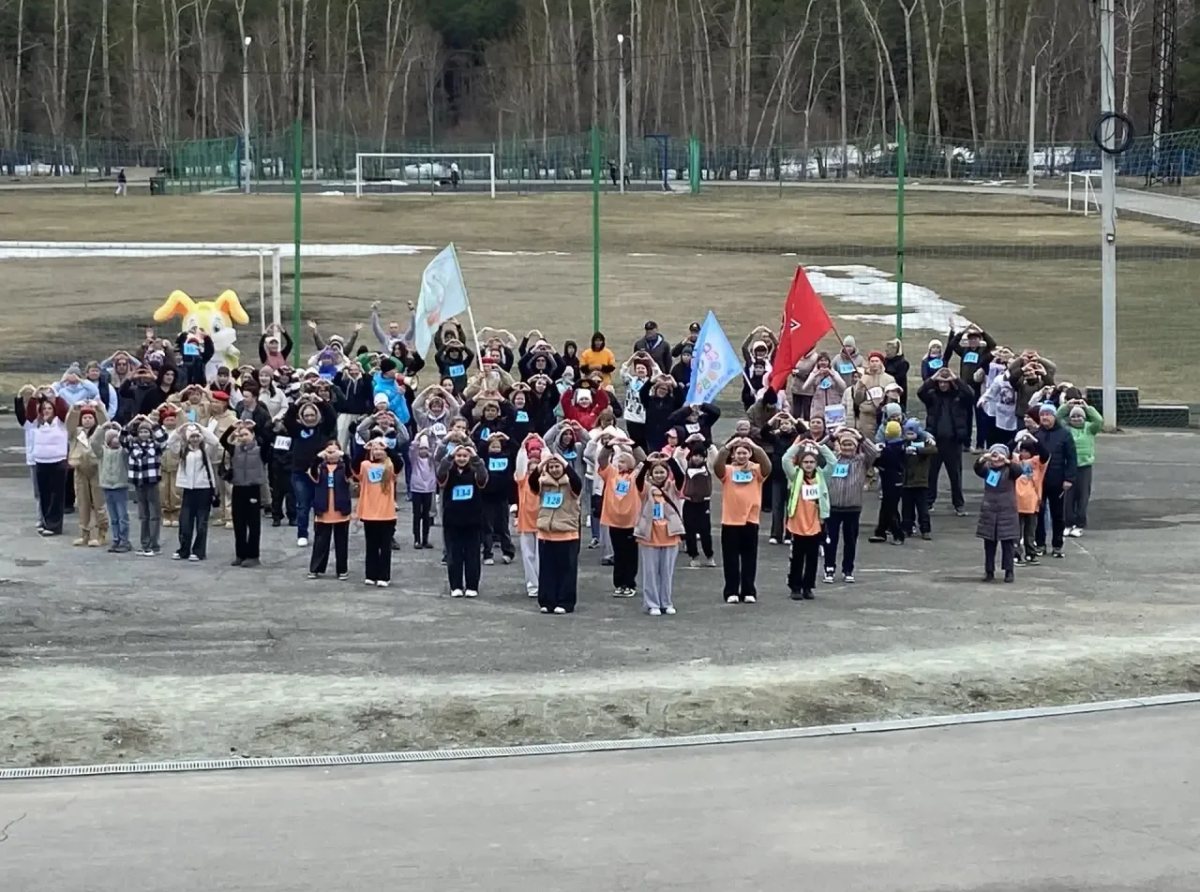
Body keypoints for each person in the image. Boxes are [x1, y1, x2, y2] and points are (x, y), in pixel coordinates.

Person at [714, 436, 770, 603]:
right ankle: (731, 590)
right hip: (730, 520)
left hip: (750, 520)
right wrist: (728, 445)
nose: (742, 455)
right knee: (730, 558)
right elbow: (717, 465)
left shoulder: (756, 470)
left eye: (745, 452)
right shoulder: (728, 470)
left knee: (749, 557)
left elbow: (768, 466)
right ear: (733, 455)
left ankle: (748, 590)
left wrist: (754, 446)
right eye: (738, 453)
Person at [528, 453, 584, 614]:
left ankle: (565, 602)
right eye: (551, 467)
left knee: (566, 570)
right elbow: (532, 480)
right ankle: (547, 601)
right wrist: (542, 462)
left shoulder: (571, 485)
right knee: (547, 570)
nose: (554, 469)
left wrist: (563, 462)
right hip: (546, 533)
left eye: (557, 466)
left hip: (567, 533)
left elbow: (577, 481)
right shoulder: (542, 484)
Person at [822, 428, 878, 584]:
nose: (847, 448)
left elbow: (873, 451)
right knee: (830, 540)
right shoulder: (833, 459)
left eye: (850, 445)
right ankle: (829, 568)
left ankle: (848, 569)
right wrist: (833, 436)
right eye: (844, 444)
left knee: (850, 540)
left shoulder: (861, 461)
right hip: (833, 507)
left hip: (853, 508)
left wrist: (860, 437)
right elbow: (818, 449)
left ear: (855, 447)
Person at [634, 453, 686, 616]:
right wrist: (647, 463)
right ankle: (652, 603)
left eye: (662, 472)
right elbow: (638, 480)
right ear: (651, 474)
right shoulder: (646, 488)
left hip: (670, 534)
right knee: (650, 572)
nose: (659, 475)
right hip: (649, 535)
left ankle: (666, 602)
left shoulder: (673, 487)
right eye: (656, 472)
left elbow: (680, 476)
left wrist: (669, 459)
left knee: (667, 572)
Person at [919, 367, 973, 517]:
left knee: (955, 475)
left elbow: (970, 394)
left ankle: (958, 504)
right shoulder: (932, 396)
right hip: (935, 441)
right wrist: (932, 378)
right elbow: (920, 392)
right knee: (932, 474)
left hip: (953, 441)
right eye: (940, 383)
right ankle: (929, 502)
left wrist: (955, 379)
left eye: (946, 382)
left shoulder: (959, 397)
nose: (943, 385)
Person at [438, 442, 489, 598]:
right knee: (454, 555)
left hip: (472, 519)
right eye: (458, 456)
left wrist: (476, 458)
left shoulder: (474, 470)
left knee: (472, 554)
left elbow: (483, 478)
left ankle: (472, 585)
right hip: (452, 520)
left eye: (464, 456)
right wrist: (449, 456)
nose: (461, 459)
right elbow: (440, 474)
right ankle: (456, 586)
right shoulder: (449, 471)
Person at [782, 438, 830, 600]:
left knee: (812, 559)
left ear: (816, 463)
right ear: (800, 463)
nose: (809, 464)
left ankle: (808, 586)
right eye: (806, 462)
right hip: (798, 523)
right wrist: (798, 446)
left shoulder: (822, 476)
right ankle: (795, 587)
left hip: (815, 523)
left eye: (812, 462)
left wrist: (819, 446)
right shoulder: (795, 475)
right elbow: (785, 459)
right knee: (796, 558)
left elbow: (833, 462)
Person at [598, 437, 644, 597]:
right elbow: (602, 459)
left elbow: (644, 461)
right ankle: (619, 583)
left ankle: (630, 584)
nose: (619, 464)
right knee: (618, 554)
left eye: (623, 461)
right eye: (618, 461)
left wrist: (634, 444)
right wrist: (609, 445)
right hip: (614, 521)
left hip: (631, 521)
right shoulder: (611, 474)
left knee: (630, 555)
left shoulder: (635, 476)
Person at [168, 421, 219, 562]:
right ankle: (184, 549)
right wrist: (180, 429)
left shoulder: (207, 449)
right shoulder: (183, 450)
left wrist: (200, 427)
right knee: (185, 521)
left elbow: (215, 441)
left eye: (197, 436)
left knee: (201, 522)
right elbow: (170, 442)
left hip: (204, 489)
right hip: (188, 489)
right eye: (192, 437)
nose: (195, 439)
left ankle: (198, 551)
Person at [1034, 402, 1077, 558]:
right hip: (1038, 481)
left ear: (1054, 416)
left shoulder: (1064, 434)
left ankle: (1057, 545)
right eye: (1042, 415)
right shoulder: (1036, 435)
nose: (1045, 417)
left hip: (1058, 480)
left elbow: (1071, 458)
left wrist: (1069, 478)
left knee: (1058, 514)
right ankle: (1039, 544)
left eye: (1048, 414)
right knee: (1038, 514)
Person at [121, 413, 169, 555]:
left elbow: (163, 438)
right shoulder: (132, 445)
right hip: (138, 482)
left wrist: (150, 421)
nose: (143, 434)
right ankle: (144, 544)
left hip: (152, 481)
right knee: (143, 515)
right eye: (141, 431)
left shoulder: (156, 445)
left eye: (146, 431)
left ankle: (154, 544)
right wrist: (133, 421)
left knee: (154, 514)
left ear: (150, 433)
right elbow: (122, 437)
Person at [974, 445, 1022, 583]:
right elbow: (977, 469)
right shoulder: (987, 469)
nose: (997, 459)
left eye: (1000, 456)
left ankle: (1009, 571)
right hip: (989, 510)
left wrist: (1007, 460)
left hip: (1007, 510)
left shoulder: (1009, 470)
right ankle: (989, 571)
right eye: (995, 456)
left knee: (1008, 544)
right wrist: (983, 458)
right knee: (989, 544)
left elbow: (1018, 471)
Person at [220, 420, 265, 568]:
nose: (243, 437)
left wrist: (255, 426)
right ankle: (240, 554)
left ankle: (253, 555)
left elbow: (267, 438)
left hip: (253, 488)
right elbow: (222, 440)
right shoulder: (235, 449)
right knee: (238, 523)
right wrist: (232, 427)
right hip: (238, 487)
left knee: (253, 524)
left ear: (252, 435)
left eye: (246, 434)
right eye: (240, 435)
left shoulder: (260, 450)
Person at [26, 388, 70, 536]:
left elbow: (64, 410)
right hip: (40, 461)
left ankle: (55, 525)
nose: (46, 411)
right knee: (44, 494)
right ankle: (45, 522)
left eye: (49, 408)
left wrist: (55, 394)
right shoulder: (37, 422)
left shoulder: (60, 422)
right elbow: (30, 413)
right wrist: (34, 396)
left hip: (58, 462)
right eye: (44, 408)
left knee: (56, 495)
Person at [307, 440, 353, 580]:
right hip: (323, 509)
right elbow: (312, 472)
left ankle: (342, 570)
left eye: (335, 451)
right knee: (321, 541)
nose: (332, 454)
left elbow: (351, 471)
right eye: (329, 451)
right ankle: (316, 568)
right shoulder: (320, 468)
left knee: (341, 542)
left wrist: (344, 455)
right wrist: (318, 458)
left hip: (341, 510)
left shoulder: (344, 467)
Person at [1057, 399, 1102, 538]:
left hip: (1084, 468)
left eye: (1079, 416)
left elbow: (1099, 420)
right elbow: (1057, 418)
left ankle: (1079, 524)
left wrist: (1087, 407)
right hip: (1069, 467)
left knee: (1082, 496)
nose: (1076, 419)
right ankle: (1068, 523)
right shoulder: (1066, 429)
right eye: (1073, 417)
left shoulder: (1089, 428)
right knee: (1068, 497)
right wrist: (1066, 406)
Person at [356, 438, 398, 586]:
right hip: (370, 511)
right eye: (375, 449)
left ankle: (384, 576)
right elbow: (354, 466)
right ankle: (371, 574)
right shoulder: (365, 465)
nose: (378, 451)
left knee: (385, 547)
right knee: (371, 545)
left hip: (387, 513)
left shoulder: (390, 466)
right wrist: (364, 448)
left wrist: (388, 448)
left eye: (381, 449)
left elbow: (400, 463)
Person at [67, 400, 109, 546]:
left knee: (99, 502)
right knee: (82, 502)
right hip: (80, 470)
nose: (87, 420)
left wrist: (99, 408)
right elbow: (69, 424)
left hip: (97, 469)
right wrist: (75, 409)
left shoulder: (100, 431)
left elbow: (106, 423)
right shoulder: (75, 433)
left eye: (90, 417)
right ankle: (84, 533)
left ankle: (101, 532)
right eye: (84, 417)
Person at [678, 434, 716, 568]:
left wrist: (706, 442)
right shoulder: (686, 467)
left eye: (700, 456)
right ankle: (694, 555)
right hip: (689, 503)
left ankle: (709, 555)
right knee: (690, 531)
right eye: (695, 455)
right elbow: (678, 456)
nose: (697, 458)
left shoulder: (708, 467)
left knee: (705, 531)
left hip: (703, 503)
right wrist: (686, 442)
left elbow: (714, 456)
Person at [94, 421, 132, 553]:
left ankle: (125, 541)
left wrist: (120, 429)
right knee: (113, 517)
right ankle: (116, 540)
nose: (116, 440)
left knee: (123, 516)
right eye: (113, 438)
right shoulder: (102, 452)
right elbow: (94, 443)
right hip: (107, 486)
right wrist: (101, 428)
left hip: (120, 486)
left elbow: (128, 441)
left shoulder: (124, 452)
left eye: (117, 437)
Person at [1013, 430, 1049, 565]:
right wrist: (1017, 439)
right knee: (1016, 532)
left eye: (1027, 450)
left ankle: (1030, 553)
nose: (1023, 453)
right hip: (1016, 502)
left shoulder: (1036, 463)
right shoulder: (1014, 461)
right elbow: (1005, 449)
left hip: (1032, 502)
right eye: (1022, 450)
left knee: (1030, 532)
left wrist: (1035, 440)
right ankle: (1016, 554)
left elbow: (1045, 454)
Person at [480, 432, 516, 565]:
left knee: (503, 526)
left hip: (502, 496)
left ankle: (508, 552)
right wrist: (487, 440)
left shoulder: (506, 456)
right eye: (492, 446)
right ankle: (488, 554)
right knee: (487, 527)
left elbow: (515, 449)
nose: (495, 449)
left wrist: (507, 438)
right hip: (487, 496)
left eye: (497, 446)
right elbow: (479, 449)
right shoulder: (486, 457)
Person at [870, 420, 907, 545]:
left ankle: (898, 534)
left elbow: (877, 462)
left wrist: (877, 454)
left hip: (891, 481)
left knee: (890, 509)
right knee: (886, 507)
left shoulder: (890, 450)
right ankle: (880, 532)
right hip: (895, 480)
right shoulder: (901, 446)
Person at [899, 419, 936, 540]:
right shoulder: (903, 443)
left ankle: (925, 529)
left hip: (921, 482)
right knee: (906, 509)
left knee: (922, 509)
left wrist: (918, 450)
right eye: (907, 434)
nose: (909, 436)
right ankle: (906, 528)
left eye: (912, 433)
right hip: (906, 482)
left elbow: (933, 450)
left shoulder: (925, 441)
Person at [407, 430, 438, 549]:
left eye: (426, 449)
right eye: (421, 448)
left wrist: (432, 437)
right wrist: (419, 435)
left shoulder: (432, 460)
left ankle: (425, 539)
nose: (423, 451)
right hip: (417, 489)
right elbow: (413, 446)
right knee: (417, 515)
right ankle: (417, 539)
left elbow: (437, 447)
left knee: (426, 515)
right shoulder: (415, 460)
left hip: (428, 489)